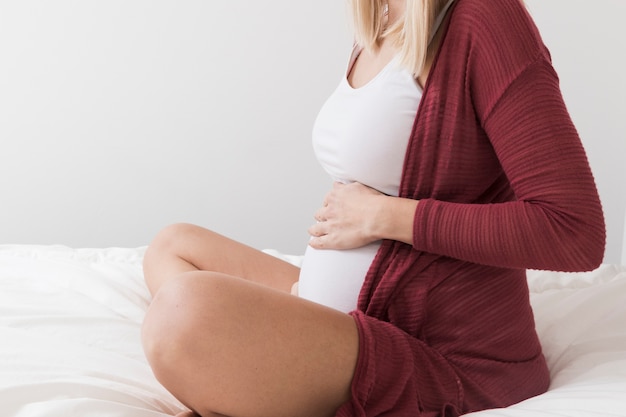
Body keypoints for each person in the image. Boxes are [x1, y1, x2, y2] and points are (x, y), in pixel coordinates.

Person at [141, 0, 606, 416]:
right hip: (350, 312)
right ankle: (266, 378)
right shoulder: (383, 14)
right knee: (174, 245)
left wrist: (384, 217)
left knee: (183, 313)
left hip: (436, 354)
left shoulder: (486, 16)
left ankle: (257, 386)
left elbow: (573, 230)